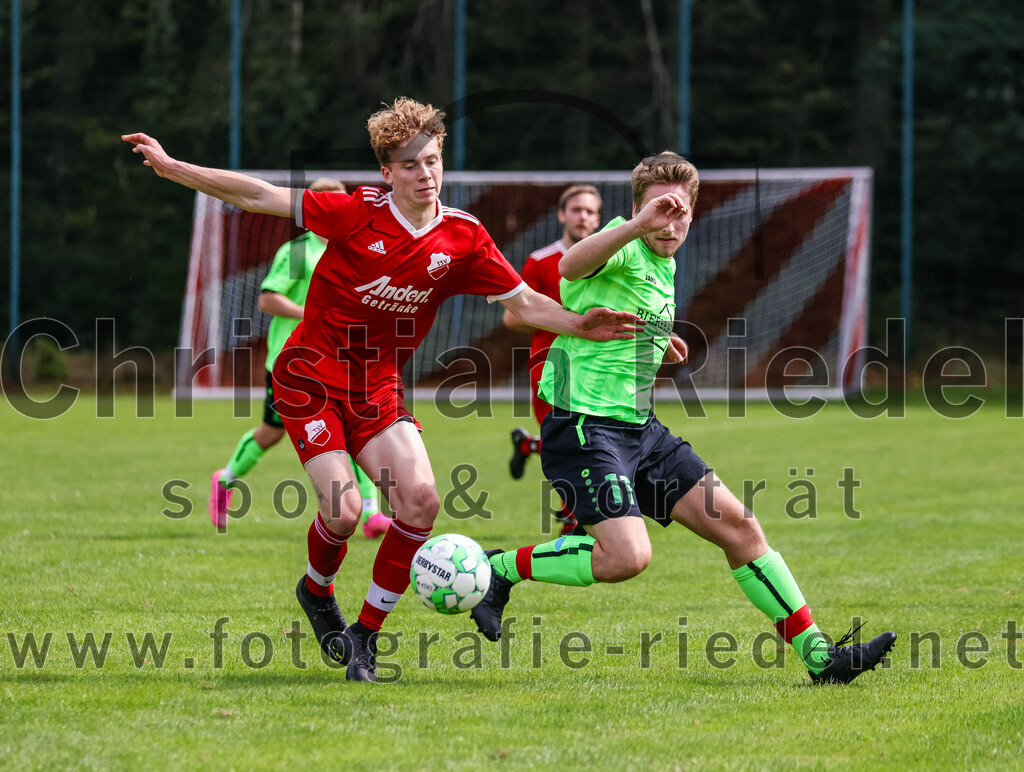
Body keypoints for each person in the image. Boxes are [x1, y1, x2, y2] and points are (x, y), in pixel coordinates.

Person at [123, 98, 641, 683]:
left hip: (376, 386)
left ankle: (365, 637)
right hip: (310, 377)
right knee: (343, 511)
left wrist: (579, 322)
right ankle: (317, 590)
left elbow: (522, 302)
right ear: (387, 172)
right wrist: (175, 168)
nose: (427, 175)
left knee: (420, 501)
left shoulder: (464, 238)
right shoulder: (354, 213)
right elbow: (258, 196)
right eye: (412, 165)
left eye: (434, 161)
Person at [470, 151, 897, 685]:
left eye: (680, 213)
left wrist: (657, 341)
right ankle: (501, 570)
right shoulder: (622, 244)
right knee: (627, 557)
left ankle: (822, 659)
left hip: (639, 429)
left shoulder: (665, 263)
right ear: (637, 210)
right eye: (659, 211)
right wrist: (634, 226)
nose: (669, 224)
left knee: (741, 528)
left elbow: (629, 317)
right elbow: (569, 266)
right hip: (583, 426)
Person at [209, 178, 390, 540]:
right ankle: (225, 478)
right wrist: (311, 313)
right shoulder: (297, 253)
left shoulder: (354, 250)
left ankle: (370, 513)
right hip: (292, 364)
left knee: (355, 429)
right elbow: (268, 298)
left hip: (341, 360)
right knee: (272, 433)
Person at [503, 185, 602, 535]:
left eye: (590, 211)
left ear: (598, 218)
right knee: (566, 439)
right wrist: (565, 318)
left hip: (594, 364)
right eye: (576, 210)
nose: (583, 217)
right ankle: (571, 520)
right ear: (562, 215)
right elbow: (512, 317)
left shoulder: (610, 261)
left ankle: (528, 445)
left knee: (592, 436)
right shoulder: (541, 260)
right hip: (550, 366)